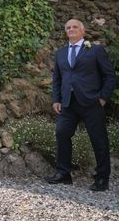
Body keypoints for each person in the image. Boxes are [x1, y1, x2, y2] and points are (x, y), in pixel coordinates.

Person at [46, 18, 116, 191]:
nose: (71, 29)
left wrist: (103, 98)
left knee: (98, 140)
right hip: (68, 104)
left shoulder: (95, 50)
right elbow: (57, 79)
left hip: (91, 102)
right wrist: (56, 99)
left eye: (75, 27)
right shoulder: (61, 53)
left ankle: (102, 178)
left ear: (82, 31)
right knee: (62, 133)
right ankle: (64, 174)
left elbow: (110, 76)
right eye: (68, 27)